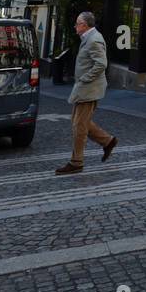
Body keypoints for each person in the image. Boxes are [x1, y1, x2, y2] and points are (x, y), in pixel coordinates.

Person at [55, 12, 118, 175]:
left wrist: (84, 79)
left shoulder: (94, 39)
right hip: (85, 88)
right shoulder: (89, 38)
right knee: (79, 122)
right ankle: (108, 141)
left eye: (77, 24)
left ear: (84, 25)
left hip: (89, 88)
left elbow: (101, 64)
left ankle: (76, 162)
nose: (75, 27)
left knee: (79, 125)